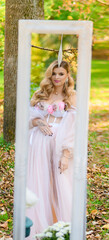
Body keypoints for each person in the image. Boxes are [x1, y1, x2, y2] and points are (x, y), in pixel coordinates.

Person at [25, 60, 76, 239]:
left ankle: (61, 227)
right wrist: (37, 121)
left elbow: (73, 127)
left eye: (61, 73)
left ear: (68, 75)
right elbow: (27, 121)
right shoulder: (40, 94)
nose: (56, 77)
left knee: (60, 184)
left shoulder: (73, 96)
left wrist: (66, 154)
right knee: (40, 181)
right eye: (54, 73)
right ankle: (39, 228)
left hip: (59, 143)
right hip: (40, 142)